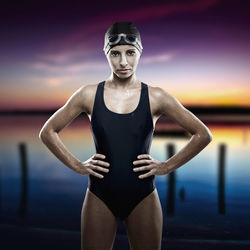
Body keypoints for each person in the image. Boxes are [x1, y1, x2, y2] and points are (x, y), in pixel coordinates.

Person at [39, 21, 213, 250]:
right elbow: (48, 132)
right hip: (99, 194)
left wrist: (167, 167)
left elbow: (202, 134)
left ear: (140, 51)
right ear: (106, 54)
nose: (123, 62)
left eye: (130, 53)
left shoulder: (156, 96)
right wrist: (77, 166)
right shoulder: (88, 94)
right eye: (115, 54)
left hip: (143, 195)